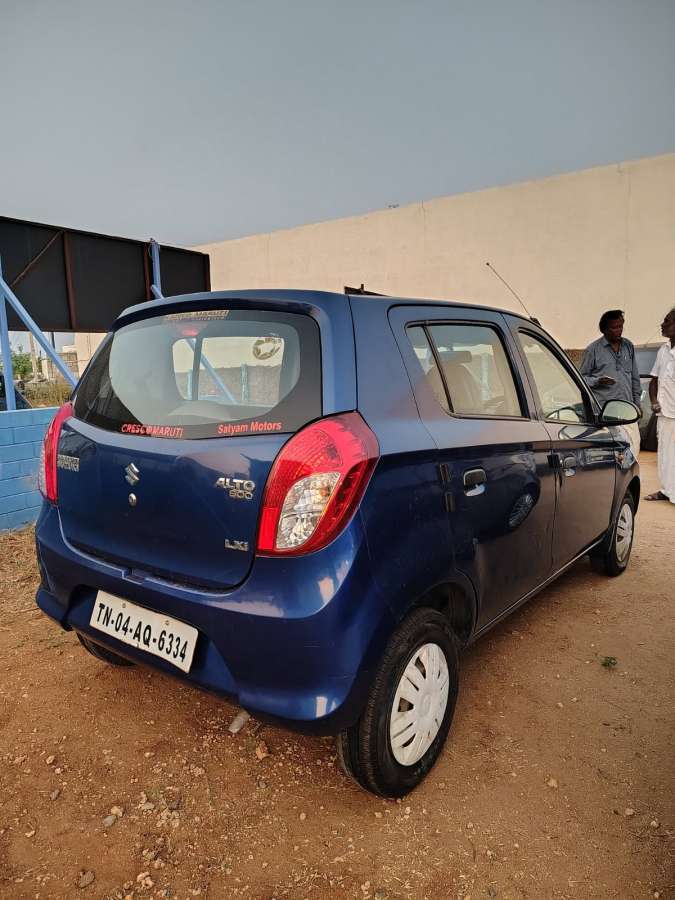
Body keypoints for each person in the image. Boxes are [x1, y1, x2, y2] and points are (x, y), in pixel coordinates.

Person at [579, 310, 642, 458]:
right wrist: (597, 381)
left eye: (621, 326)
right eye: (614, 328)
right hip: (605, 414)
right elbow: (581, 380)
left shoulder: (628, 346)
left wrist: (637, 406)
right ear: (604, 330)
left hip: (627, 412)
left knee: (633, 452)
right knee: (611, 457)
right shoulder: (592, 350)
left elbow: (634, 379)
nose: (618, 331)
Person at [645, 307, 675, 502]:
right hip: (665, 413)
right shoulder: (663, 351)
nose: (662, 325)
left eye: (667, 321)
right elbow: (653, 380)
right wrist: (654, 401)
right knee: (665, 454)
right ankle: (667, 490)